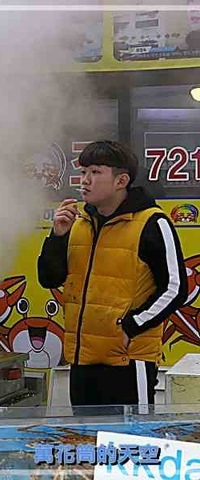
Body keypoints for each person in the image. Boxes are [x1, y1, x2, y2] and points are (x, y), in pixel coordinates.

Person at [37, 140, 186, 408]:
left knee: (132, 443)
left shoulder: (152, 222)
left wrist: (132, 325)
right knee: (87, 441)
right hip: (82, 357)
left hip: (129, 359)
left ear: (121, 180)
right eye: (83, 172)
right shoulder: (77, 223)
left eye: (95, 172)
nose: (85, 180)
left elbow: (175, 288)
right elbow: (50, 279)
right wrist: (57, 237)